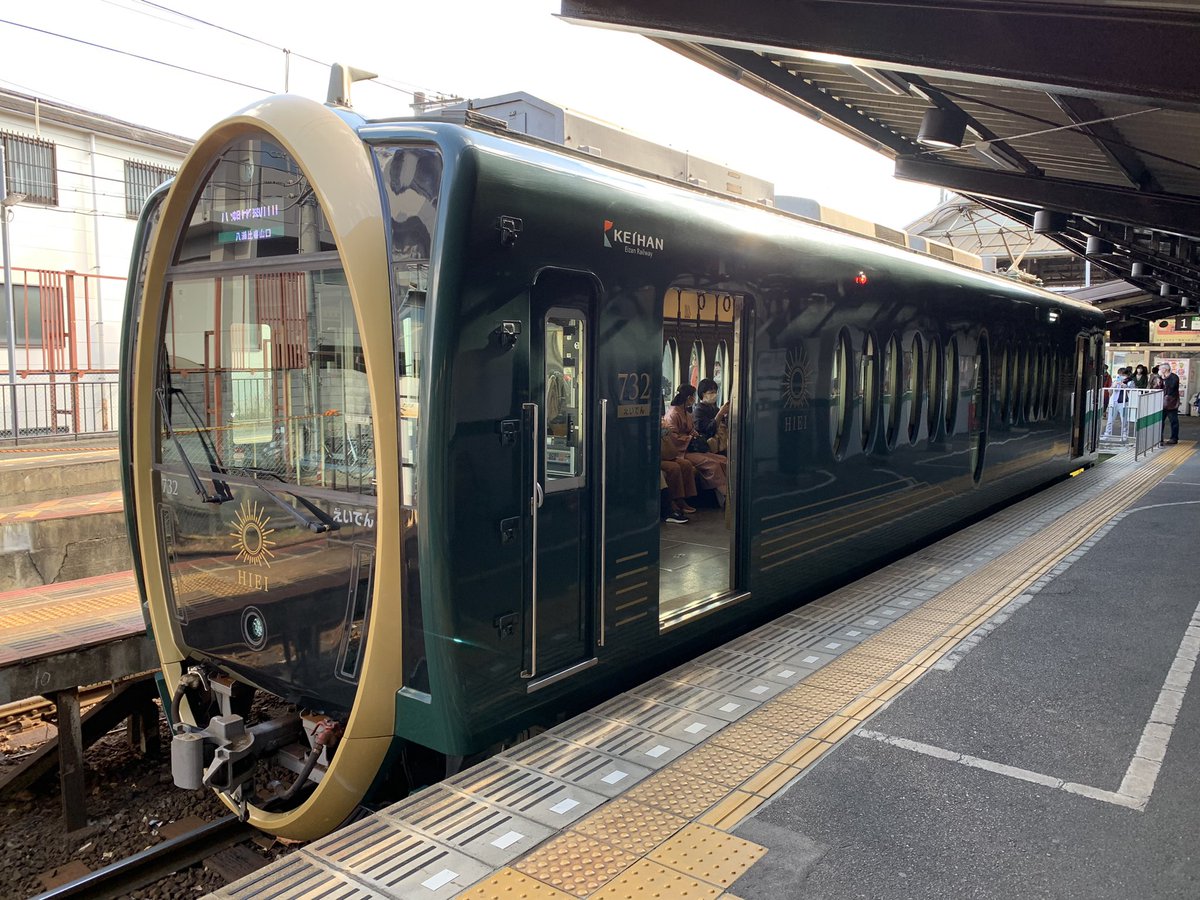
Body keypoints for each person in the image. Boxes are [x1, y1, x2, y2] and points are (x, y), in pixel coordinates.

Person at [663, 383, 728, 505]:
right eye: (692, 396)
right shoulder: (673, 414)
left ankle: (729, 492)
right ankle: (723, 497)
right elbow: (673, 437)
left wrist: (694, 434)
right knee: (712, 464)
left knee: (723, 460)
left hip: (691, 447)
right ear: (688, 398)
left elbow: (691, 429)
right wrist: (689, 438)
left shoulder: (686, 413)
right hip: (682, 451)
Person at [693, 377, 730, 454]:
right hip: (707, 448)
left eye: (715, 392)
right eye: (711, 392)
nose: (714, 395)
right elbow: (708, 430)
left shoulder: (715, 409)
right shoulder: (698, 411)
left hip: (720, 445)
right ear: (703, 394)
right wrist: (720, 414)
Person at [1161, 362, 1180, 444]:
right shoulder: (1160, 377)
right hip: (1161, 402)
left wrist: (1164, 379)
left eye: (1161, 368)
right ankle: (1159, 438)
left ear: (1166, 369)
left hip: (1171, 402)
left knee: (1173, 421)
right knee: (1160, 421)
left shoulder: (1174, 377)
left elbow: (1172, 387)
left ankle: (1174, 438)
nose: (1160, 370)